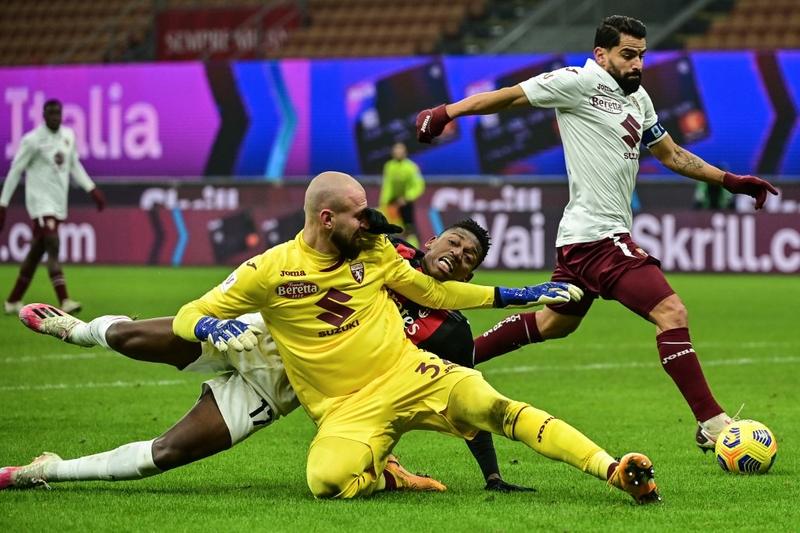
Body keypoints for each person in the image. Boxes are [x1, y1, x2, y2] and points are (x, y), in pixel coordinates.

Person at [415, 15, 779, 452]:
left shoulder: (639, 98)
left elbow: (674, 155)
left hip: (581, 239)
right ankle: (713, 423)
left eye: (642, 55)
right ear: (601, 55)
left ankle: (445, 359)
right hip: (598, 238)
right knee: (671, 312)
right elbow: (510, 97)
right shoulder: (576, 82)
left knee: (553, 324)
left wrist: (731, 181)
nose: (637, 64)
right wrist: (447, 112)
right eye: (628, 55)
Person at [7, 217, 541, 493]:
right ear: (429, 240)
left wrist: (492, 478)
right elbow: (318, 234)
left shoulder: (449, 329)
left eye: (468, 257)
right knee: (135, 339)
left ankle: (50, 470)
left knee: (165, 455)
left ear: (471, 275)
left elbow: (468, 399)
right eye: (452, 242)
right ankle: (77, 330)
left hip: (278, 390)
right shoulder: (380, 249)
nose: (456, 256)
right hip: (260, 331)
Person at [0, 99, 106, 315]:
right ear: (43, 115)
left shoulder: (68, 136)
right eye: (51, 113)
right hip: (40, 204)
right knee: (53, 242)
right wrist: (3, 203)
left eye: (58, 113)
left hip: (58, 203)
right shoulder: (32, 140)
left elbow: (74, 164)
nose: (55, 117)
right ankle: (65, 299)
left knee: (36, 252)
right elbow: (15, 171)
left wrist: (91, 189)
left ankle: (12, 301)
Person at [379, 142, 425, 247]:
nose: (398, 152)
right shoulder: (389, 166)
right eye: (396, 150)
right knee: (391, 228)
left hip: (406, 203)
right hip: (392, 203)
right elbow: (387, 185)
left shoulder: (411, 167)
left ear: (405, 152)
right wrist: (384, 202)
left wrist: (407, 197)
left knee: (409, 227)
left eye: (400, 150)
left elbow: (418, 185)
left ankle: (413, 250)